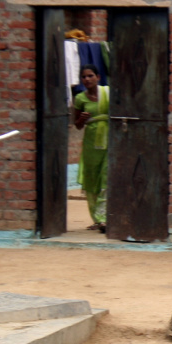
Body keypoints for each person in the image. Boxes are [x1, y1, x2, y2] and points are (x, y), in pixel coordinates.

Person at [73, 65, 109, 233]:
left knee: (106, 179)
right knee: (91, 179)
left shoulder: (108, 93)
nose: (87, 79)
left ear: (98, 77)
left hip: (108, 143)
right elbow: (77, 126)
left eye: (90, 76)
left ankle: (104, 218)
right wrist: (81, 118)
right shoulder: (80, 98)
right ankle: (96, 219)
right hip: (90, 145)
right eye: (84, 77)